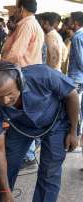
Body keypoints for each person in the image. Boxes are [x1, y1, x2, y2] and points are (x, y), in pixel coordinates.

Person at [0, 62, 79, 202]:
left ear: (20, 83)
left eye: (9, 94)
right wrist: (5, 190)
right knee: (9, 163)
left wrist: (73, 131)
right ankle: (3, 197)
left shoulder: (42, 75)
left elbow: (72, 94)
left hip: (56, 122)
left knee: (49, 171)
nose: (4, 101)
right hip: (21, 126)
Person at [1, 0, 45, 171]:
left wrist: (0, 66)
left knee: (23, 117)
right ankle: (27, 155)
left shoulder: (27, 25)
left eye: (15, 8)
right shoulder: (28, 24)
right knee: (24, 116)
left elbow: (16, 53)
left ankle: (28, 157)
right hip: (28, 75)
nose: (14, 12)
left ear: (21, 8)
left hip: (25, 75)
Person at [68, 11, 83, 152]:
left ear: (76, 22)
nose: (68, 22)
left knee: (74, 110)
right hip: (79, 78)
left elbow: (80, 61)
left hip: (77, 78)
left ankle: (75, 141)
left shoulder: (77, 37)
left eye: (71, 20)